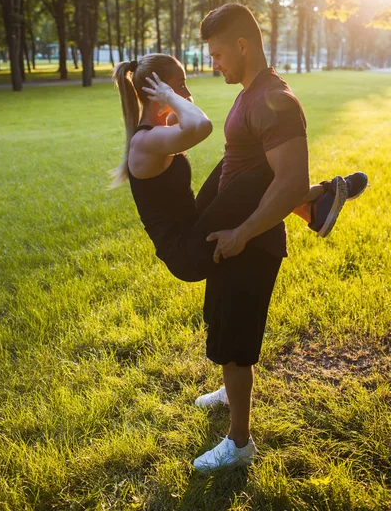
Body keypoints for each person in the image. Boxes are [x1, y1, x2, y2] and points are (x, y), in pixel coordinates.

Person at [111, 46, 367, 471]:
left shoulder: (156, 133)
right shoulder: (147, 141)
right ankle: (319, 197)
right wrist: (172, 101)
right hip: (187, 252)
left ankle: (317, 201)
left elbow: (204, 132)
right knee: (256, 173)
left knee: (241, 161)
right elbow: (203, 125)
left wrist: (168, 98)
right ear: (158, 94)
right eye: (181, 86)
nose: (188, 93)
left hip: (193, 230)